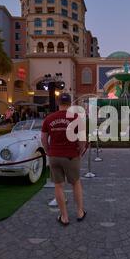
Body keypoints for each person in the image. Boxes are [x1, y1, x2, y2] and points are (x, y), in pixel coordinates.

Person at [41, 93, 86, 226]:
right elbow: (82, 139)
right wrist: (80, 150)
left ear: (58, 102)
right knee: (76, 183)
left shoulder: (49, 119)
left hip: (55, 156)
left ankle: (64, 217)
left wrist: (48, 150)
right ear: (71, 103)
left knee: (58, 186)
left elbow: (43, 138)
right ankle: (79, 212)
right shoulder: (76, 117)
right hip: (71, 155)